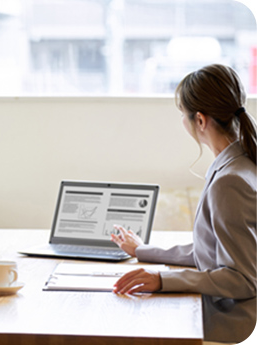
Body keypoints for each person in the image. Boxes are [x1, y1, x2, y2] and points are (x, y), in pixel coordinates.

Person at [111, 64, 256, 343]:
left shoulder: (230, 181)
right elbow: (211, 251)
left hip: (231, 322)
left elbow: (242, 278)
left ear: (200, 120)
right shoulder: (239, 165)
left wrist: (163, 280)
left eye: (183, 115)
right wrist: (143, 250)